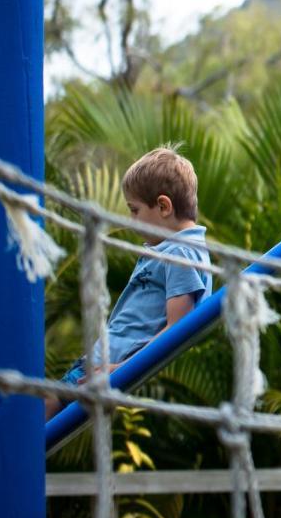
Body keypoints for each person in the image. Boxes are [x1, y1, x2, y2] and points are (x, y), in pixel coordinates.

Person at [47, 146, 212, 418]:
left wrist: (120, 370)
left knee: (32, 415)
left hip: (110, 364)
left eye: (134, 210)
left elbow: (177, 327)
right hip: (106, 360)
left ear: (163, 206)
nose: (130, 220)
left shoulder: (181, 253)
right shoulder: (173, 249)